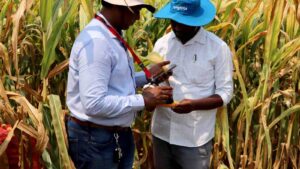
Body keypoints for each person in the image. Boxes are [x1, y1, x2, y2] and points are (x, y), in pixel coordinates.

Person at [66, 0, 173, 168]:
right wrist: (143, 100)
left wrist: (145, 77)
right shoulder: (97, 42)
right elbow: (94, 103)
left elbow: (114, 82)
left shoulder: (112, 34)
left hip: (111, 136)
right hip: (96, 140)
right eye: (135, 11)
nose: (138, 18)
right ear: (117, 7)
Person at [151, 0, 234, 169]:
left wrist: (194, 105)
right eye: (174, 21)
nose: (177, 27)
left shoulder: (217, 48)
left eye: (184, 22)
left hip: (195, 139)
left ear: (197, 20)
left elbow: (225, 93)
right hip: (161, 132)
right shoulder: (162, 43)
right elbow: (150, 81)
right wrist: (153, 88)